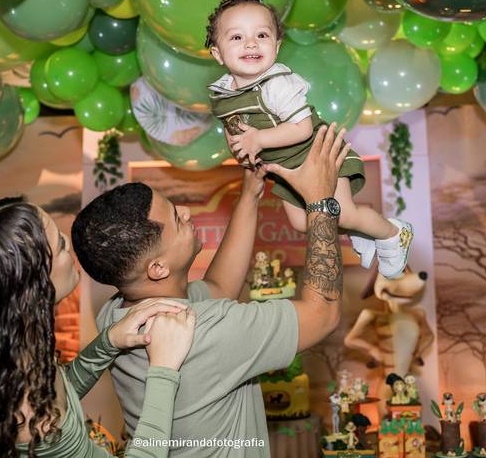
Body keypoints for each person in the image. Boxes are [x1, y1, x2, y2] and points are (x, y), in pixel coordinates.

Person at [74, 124, 348, 457]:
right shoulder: (207, 330)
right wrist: (321, 202)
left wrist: (250, 194)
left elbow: (219, 287)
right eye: (176, 219)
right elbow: (323, 313)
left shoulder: (116, 315)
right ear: (157, 268)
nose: (186, 212)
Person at [0, 197, 196, 458]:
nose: (68, 243)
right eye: (60, 246)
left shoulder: (6, 360)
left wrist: (107, 343)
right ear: (30, 289)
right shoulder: (34, 422)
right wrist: (163, 369)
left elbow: (56, 393)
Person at [205, 0, 413, 280]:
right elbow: (234, 128)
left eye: (262, 35)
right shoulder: (221, 94)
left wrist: (260, 140)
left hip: (318, 155)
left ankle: (394, 233)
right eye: (237, 37)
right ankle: (363, 229)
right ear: (217, 53)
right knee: (304, 224)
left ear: (276, 46)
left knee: (343, 213)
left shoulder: (277, 84)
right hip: (287, 169)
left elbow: (301, 128)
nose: (251, 43)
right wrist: (242, 150)